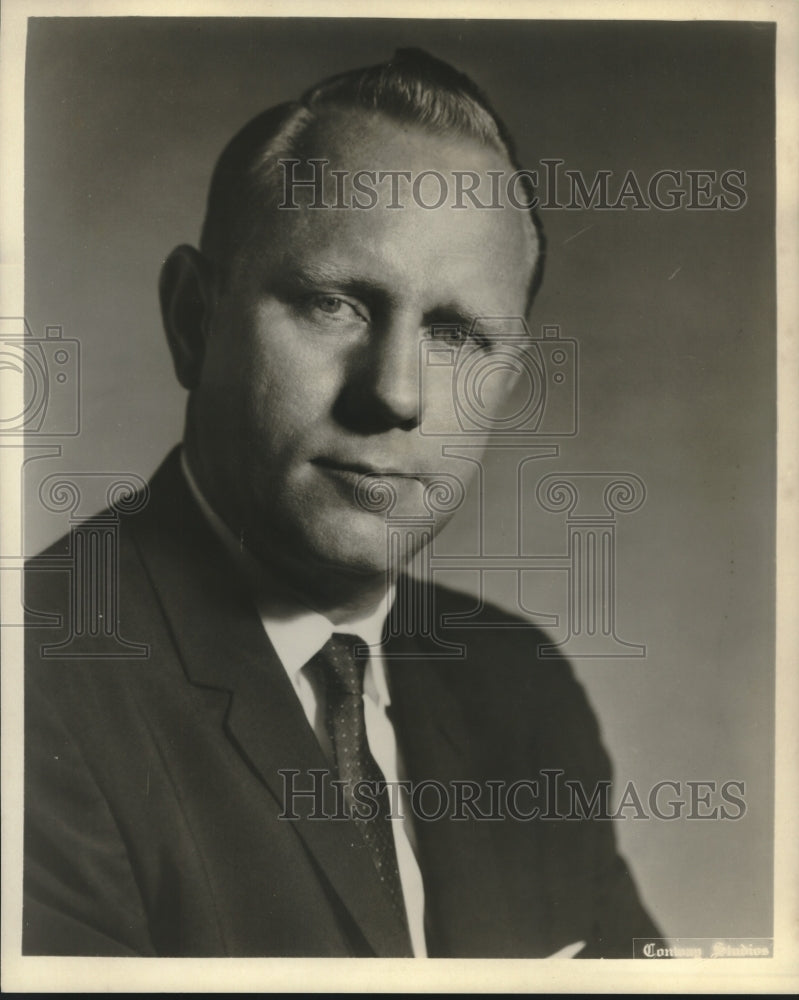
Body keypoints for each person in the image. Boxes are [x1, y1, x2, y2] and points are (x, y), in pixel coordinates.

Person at [23, 48, 660, 958]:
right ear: (194, 321)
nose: (395, 395)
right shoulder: (38, 685)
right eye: (335, 305)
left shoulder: (521, 686)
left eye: (456, 335)